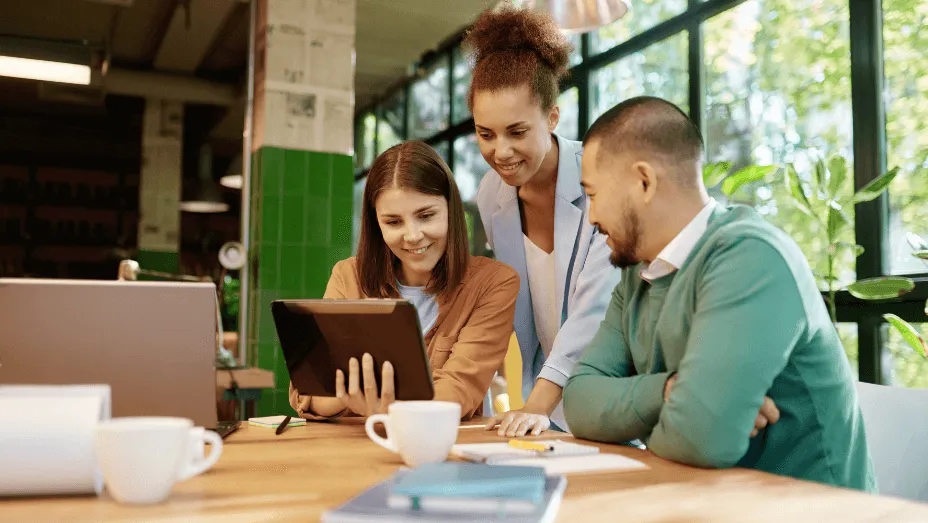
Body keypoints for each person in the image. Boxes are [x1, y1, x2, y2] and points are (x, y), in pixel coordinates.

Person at [563, 96, 875, 491]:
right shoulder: (636, 276)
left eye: (593, 195)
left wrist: (674, 413)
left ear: (644, 181)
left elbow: (700, 438)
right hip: (708, 497)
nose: (591, 217)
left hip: (811, 509)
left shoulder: (751, 257)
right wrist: (670, 391)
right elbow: (579, 402)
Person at [467, 5, 621, 437]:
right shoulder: (491, 194)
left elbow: (595, 308)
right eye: (485, 134)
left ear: (552, 117)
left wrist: (535, 406)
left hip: (614, 393)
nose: (500, 152)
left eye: (517, 132)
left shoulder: (600, 178)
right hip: (546, 411)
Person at [289, 141, 519, 421]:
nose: (412, 236)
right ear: (376, 224)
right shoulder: (348, 276)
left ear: (451, 209)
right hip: (354, 443)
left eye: (426, 216)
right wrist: (350, 395)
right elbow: (310, 393)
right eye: (393, 222)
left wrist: (361, 393)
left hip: (440, 445)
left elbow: (457, 392)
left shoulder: (494, 282)